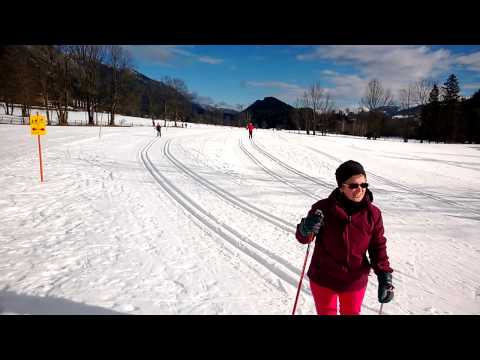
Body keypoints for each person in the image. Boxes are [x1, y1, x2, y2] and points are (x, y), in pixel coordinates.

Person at [295, 160, 394, 315]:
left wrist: (384, 276)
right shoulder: (322, 209)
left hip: (354, 280)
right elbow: (303, 238)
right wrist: (305, 227)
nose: (360, 190)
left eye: (364, 185)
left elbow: (377, 246)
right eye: (353, 185)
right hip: (324, 278)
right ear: (341, 187)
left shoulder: (373, 214)